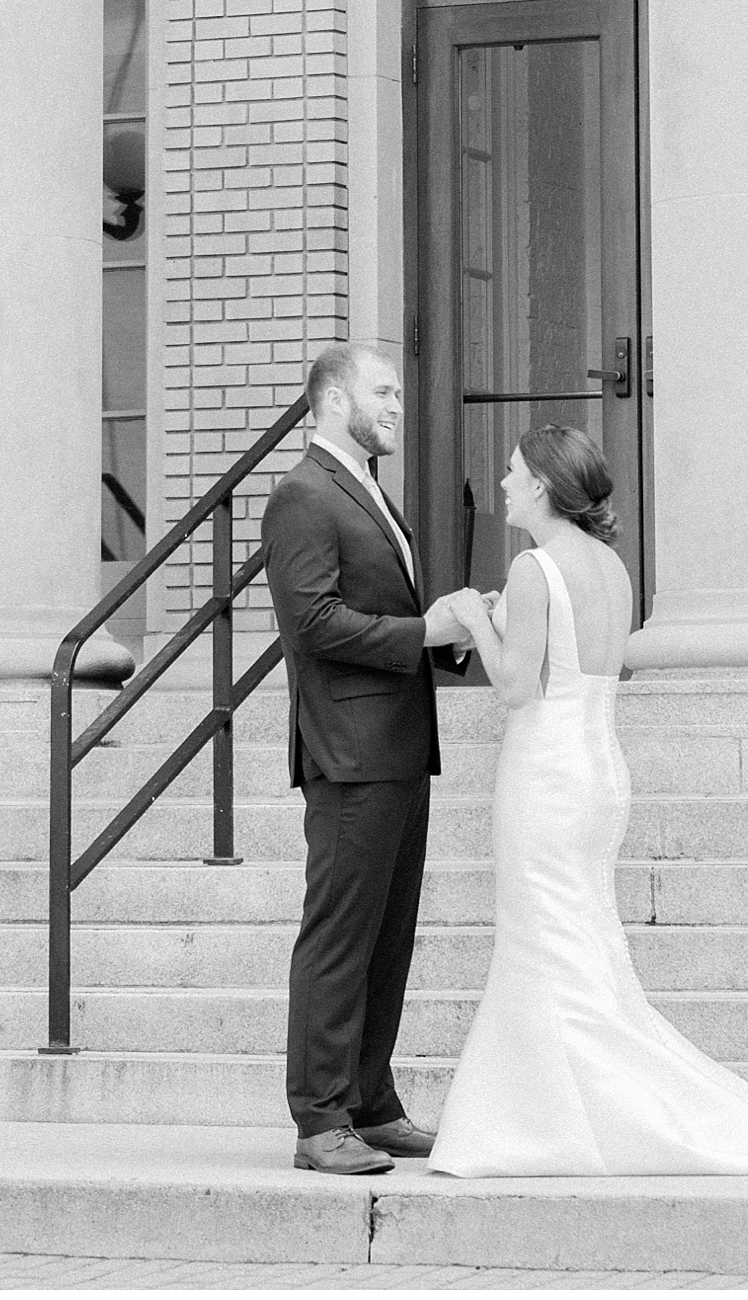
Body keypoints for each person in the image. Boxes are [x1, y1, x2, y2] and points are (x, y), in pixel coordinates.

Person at [430, 423, 748, 1177]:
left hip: (545, 773)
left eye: (511, 472)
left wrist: (475, 615)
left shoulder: (535, 566)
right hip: (598, 764)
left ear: (541, 485)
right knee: (581, 940)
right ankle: (563, 1112)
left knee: (546, 938)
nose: (502, 483)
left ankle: (545, 1121)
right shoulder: (608, 563)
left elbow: (515, 688)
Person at [261, 344, 477, 1176]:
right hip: (348, 754)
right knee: (340, 939)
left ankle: (370, 1104)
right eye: (381, 391)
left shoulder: (368, 492)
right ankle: (320, 1119)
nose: (396, 403)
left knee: (389, 939)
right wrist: (427, 632)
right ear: (330, 397)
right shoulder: (302, 496)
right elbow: (312, 623)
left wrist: (452, 635)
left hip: (398, 748)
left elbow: (381, 607)